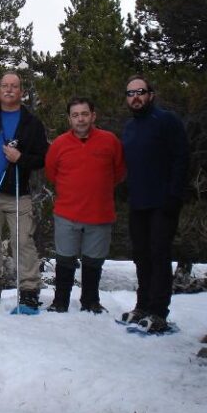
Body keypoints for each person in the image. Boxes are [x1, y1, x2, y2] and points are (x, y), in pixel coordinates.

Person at [0, 71, 49, 310]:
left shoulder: (31, 123)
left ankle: (29, 290)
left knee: (23, 242)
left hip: (17, 193)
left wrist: (20, 157)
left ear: (21, 92)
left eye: (15, 86)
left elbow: (42, 158)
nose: (10, 90)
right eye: (5, 86)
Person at [121, 74, 189, 333]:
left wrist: (174, 195)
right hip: (138, 201)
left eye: (140, 92)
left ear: (150, 94)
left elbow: (181, 158)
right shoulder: (129, 127)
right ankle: (143, 305)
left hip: (163, 201)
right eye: (130, 94)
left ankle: (159, 311)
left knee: (159, 255)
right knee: (141, 256)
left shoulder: (167, 121)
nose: (135, 97)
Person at [45, 97, 126, 314]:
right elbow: (51, 173)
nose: (80, 119)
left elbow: (118, 172)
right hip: (67, 212)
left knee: (93, 262)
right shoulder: (60, 144)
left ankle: (90, 301)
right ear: (69, 119)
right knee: (64, 260)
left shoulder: (110, 141)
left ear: (93, 115)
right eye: (75, 115)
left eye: (84, 114)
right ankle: (60, 301)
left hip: (99, 213)